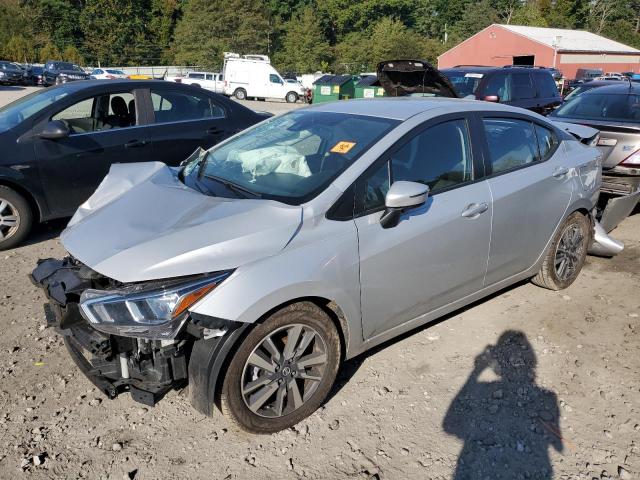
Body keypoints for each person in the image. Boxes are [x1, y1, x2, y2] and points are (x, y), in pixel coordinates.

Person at [443, 331, 562, 479]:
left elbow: (449, 425)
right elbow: (558, 445)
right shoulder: (548, 398)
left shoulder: (485, 390)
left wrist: (477, 370)